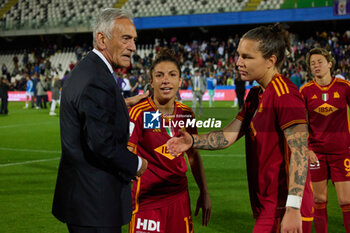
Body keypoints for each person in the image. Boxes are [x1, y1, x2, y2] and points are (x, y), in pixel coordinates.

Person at [167, 24, 313, 233]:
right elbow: (228, 135)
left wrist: (292, 207)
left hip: (285, 207)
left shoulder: (285, 95)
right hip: (268, 204)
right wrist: (192, 141)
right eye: (238, 55)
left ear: (271, 60)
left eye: (247, 57)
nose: (238, 62)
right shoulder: (255, 95)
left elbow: (300, 152)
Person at [52, 8, 148, 233]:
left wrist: (121, 105)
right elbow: (101, 144)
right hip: (95, 206)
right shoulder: (96, 78)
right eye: (126, 39)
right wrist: (137, 164)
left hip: (84, 202)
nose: (133, 47)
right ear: (102, 39)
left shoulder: (88, 70)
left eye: (134, 40)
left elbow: (88, 110)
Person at [128, 48, 211, 233]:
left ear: (180, 81)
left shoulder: (186, 114)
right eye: (159, 75)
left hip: (179, 200)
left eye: (172, 75)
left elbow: (193, 156)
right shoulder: (139, 113)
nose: (166, 80)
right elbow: (125, 154)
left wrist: (204, 191)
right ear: (151, 81)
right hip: (147, 202)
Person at [300, 48, 350, 233]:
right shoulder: (305, 91)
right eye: (312, 63)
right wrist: (307, 149)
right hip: (316, 153)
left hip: (342, 152)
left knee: (346, 200)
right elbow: (299, 123)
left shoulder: (344, 87)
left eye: (320, 61)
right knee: (319, 200)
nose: (316, 66)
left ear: (330, 63)